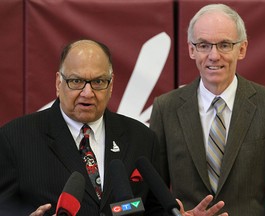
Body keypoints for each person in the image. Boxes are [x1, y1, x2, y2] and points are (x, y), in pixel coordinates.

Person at [0, 39, 228, 216]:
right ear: (59, 83)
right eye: (76, 81)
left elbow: (152, 209)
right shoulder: (16, 138)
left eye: (98, 82)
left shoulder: (141, 138)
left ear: (111, 86)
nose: (87, 93)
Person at [149, 3, 265, 216]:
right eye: (204, 45)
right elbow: (155, 196)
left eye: (224, 45)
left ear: (241, 49)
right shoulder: (165, 108)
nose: (214, 56)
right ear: (191, 50)